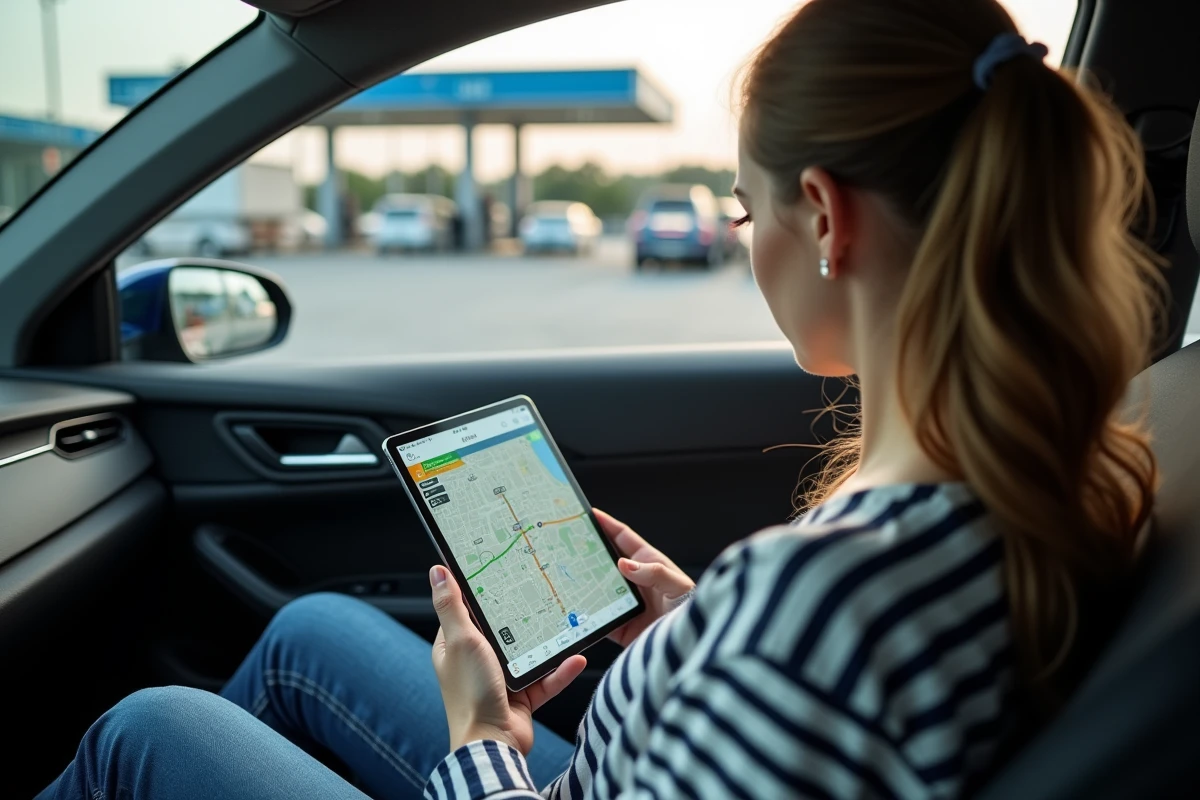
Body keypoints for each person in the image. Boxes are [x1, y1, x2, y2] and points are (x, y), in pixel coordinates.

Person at [36, 0, 1162, 797]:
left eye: (740, 210)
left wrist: (484, 734)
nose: (744, 240)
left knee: (149, 727)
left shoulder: (828, 596)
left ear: (823, 213)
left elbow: (807, 654)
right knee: (310, 628)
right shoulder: (1054, 471)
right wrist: (693, 623)